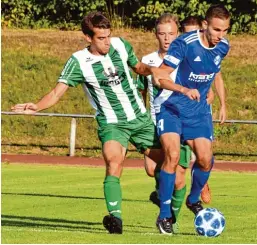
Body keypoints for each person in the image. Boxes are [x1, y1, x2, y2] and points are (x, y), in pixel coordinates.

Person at [11, 11, 172, 234]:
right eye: (101, 38)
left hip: (140, 119)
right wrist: (37, 106)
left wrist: (153, 70)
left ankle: (160, 195)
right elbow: (57, 92)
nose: (107, 42)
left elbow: (138, 67)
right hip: (112, 123)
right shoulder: (78, 62)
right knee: (114, 161)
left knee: (167, 162)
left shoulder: (120, 45)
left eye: (108, 36)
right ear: (88, 37)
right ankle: (115, 219)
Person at [152, 4, 230, 234]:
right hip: (173, 107)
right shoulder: (184, 44)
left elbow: (215, 72)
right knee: (173, 156)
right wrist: (183, 89)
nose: (220, 35)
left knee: (206, 159)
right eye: (216, 29)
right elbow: (160, 76)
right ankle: (165, 214)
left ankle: (192, 199)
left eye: (224, 30)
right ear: (205, 25)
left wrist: (222, 102)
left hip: (198, 111)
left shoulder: (223, 47)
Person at [136, 13, 190, 232]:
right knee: (151, 169)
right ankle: (162, 197)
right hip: (153, 121)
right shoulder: (148, 61)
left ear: (178, 35)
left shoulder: (186, 59)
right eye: (162, 34)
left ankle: (169, 219)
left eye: (171, 34)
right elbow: (141, 91)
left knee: (178, 177)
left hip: (178, 120)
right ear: (155, 35)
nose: (167, 39)